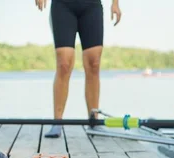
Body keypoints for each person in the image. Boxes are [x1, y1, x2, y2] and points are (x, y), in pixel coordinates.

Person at [35, 0, 122, 138]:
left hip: (91, 6)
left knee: (94, 63)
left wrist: (115, 3)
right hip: (63, 5)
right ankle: (57, 122)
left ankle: (94, 121)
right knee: (64, 63)